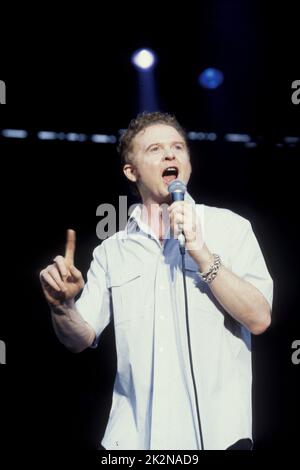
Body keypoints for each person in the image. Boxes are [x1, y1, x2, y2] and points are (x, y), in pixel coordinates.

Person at [39, 112, 273, 450]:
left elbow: (259, 317)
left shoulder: (231, 228)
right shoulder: (112, 251)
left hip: (218, 438)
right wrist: (62, 306)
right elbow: (79, 337)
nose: (170, 154)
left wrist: (201, 252)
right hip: (133, 441)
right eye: (155, 149)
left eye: (178, 147)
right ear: (131, 172)